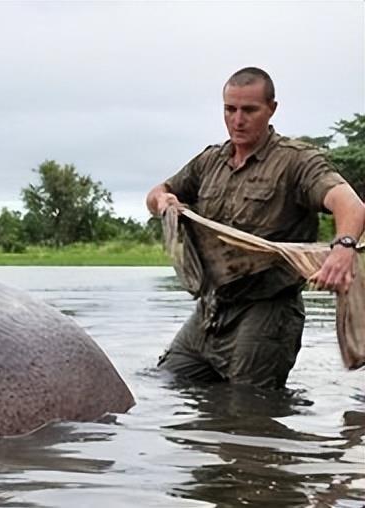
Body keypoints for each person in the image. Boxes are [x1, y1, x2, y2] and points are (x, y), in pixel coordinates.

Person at [146, 67, 365, 389]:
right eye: (229, 109)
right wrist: (163, 202)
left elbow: (351, 205)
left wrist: (343, 247)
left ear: (271, 109)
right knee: (163, 383)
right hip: (211, 308)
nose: (238, 120)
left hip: (267, 314)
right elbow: (156, 192)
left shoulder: (296, 162)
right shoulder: (210, 162)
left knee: (250, 413)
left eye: (249, 110)